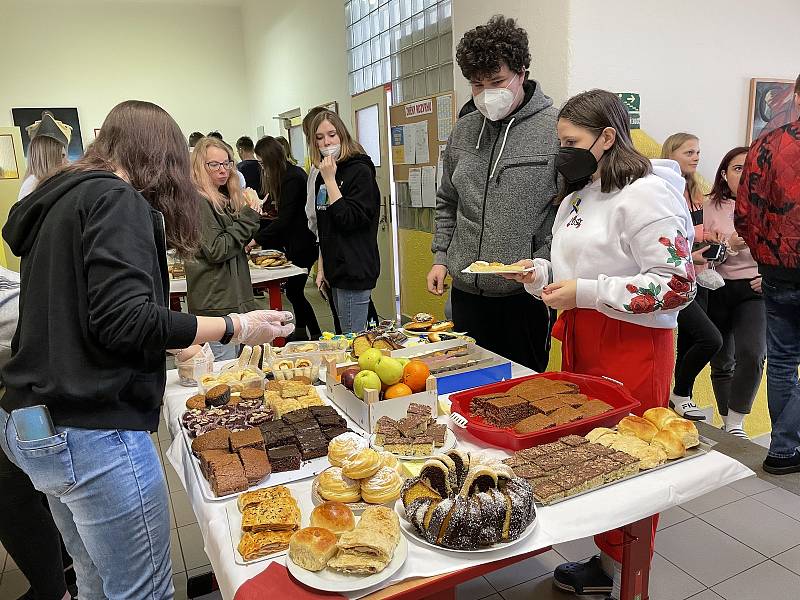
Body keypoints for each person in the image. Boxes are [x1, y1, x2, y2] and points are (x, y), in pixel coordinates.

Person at [0, 100, 293, 600]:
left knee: (95, 582)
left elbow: (85, 318)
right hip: (95, 431)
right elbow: (126, 319)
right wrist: (234, 326)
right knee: (142, 591)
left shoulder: (58, 200)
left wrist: (168, 341)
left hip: (33, 426)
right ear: (159, 157)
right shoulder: (117, 200)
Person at [505, 89, 695, 599]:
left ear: (608, 137)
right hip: (584, 337)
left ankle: (629, 572)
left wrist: (584, 292)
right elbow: (583, 268)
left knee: (630, 456)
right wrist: (541, 273)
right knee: (593, 451)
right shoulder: (578, 196)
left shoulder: (647, 195)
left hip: (631, 343)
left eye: (572, 141)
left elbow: (676, 283)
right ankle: (606, 560)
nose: (562, 150)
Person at [427, 15, 559, 371]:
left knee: (523, 395)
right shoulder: (464, 130)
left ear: (522, 71)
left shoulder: (555, 130)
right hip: (466, 292)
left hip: (525, 297)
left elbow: (567, 212)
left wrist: (541, 261)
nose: (487, 94)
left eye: (497, 81)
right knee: (464, 384)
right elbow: (447, 201)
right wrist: (441, 256)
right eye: (476, 84)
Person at [735, 74, 800, 475]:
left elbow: (744, 213)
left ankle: (782, 449)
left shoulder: (766, 143)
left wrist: (765, 256)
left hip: (777, 271)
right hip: (778, 268)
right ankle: (786, 446)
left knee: (780, 360)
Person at [0, 266, 78, 600]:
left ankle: (57, 586)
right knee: (19, 497)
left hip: (28, 403)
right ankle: (60, 579)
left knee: (21, 497)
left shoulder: (13, 300)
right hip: (21, 401)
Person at [703, 147, 765, 439]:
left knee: (752, 354)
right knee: (722, 358)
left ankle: (736, 422)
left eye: (749, 166)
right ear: (724, 174)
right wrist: (729, 246)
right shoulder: (708, 206)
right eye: (737, 168)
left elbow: (787, 248)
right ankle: (729, 422)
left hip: (753, 289)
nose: (744, 173)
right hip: (716, 286)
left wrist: (769, 276)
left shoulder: (771, 204)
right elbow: (697, 255)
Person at [661, 133, 722, 420]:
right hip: (678, 277)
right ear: (670, 154)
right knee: (710, 339)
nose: (696, 157)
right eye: (689, 152)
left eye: (697, 152)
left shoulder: (695, 190)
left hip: (700, 277)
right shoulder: (663, 190)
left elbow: (693, 232)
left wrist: (711, 238)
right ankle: (679, 394)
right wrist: (694, 253)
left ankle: (683, 397)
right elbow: (670, 238)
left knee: (689, 341)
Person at [188, 136, 263, 361]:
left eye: (227, 163)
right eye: (214, 164)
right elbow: (217, 249)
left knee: (238, 369)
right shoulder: (199, 201)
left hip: (228, 301)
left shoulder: (221, 198)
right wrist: (249, 218)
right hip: (217, 307)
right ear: (200, 166)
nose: (223, 170)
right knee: (224, 374)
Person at [310, 110, 380, 333]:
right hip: (334, 269)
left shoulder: (359, 171)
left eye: (331, 135)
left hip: (354, 268)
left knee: (353, 340)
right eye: (319, 138)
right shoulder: (322, 174)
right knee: (342, 335)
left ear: (342, 135)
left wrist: (331, 180)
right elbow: (324, 224)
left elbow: (348, 219)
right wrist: (321, 268)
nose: (326, 142)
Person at [254, 136, 321, 340]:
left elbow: (286, 219)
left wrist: (256, 239)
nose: (261, 167)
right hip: (297, 241)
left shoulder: (292, 177)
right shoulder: (287, 174)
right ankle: (301, 330)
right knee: (295, 291)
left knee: (294, 291)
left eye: (262, 162)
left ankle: (315, 333)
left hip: (304, 242)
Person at [19, 111, 70, 200]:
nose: (67, 161)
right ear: (49, 157)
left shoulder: (48, 182)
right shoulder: (32, 186)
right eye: (62, 156)